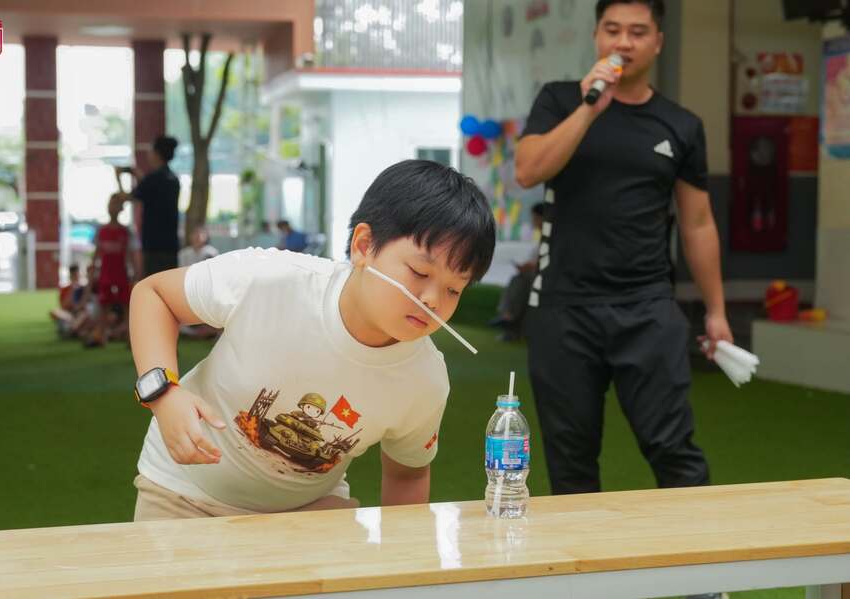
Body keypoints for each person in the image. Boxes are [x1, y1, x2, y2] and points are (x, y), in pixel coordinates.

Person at [128, 159, 495, 520]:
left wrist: (402, 552)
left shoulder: (424, 379)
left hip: (309, 511)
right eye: (419, 272)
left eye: (454, 289)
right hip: (182, 492)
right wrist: (164, 394)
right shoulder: (269, 279)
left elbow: (407, 475)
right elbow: (154, 295)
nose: (433, 301)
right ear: (364, 245)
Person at [515, 0, 733, 546]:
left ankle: (704, 575)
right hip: (563, 308)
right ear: (596, 36)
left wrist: (717, 311)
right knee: (571, 462)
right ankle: (582, 577)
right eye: (613, 30)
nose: (624, 42)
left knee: (674, 450)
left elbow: (698, 223)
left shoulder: (681, 124)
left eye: (638, 32)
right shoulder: (560, 100)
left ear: (658, 42)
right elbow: (528, 170)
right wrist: (591, 108)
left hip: (646, 307)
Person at [116, 135, 180, 278]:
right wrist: (135, 173)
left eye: (151, 150)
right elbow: (148, 189)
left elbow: (126, 197)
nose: (148, 154)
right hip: (170, 246)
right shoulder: (173, 179)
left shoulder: (153, 180)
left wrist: (118, 177)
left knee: (154, 284)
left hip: (154, 246)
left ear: (157, 154)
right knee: (169, 284)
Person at [489, 203, 545, 341]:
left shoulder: (551, 240)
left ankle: (508, 317)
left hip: (542, 279)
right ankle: (509, 319)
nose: (533, 221)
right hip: (532, 277)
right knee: (518, 280)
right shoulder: (541, 241)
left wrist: (531, 267)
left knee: (520, 282)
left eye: (535, 218)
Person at [87, 195, 136, 347]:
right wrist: (92, 272)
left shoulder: (125, 232)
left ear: (121, 209)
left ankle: (131, 338)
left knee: (127, 306)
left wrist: (135, 274)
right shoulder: (101, 231)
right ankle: (100, 337)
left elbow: (130, 254)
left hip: (121, 275)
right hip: (105, 275)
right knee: (104, 306)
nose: (113, 208)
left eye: (116, 204)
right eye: (111, 204)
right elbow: (96, 254)